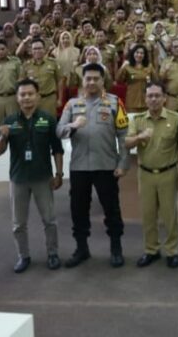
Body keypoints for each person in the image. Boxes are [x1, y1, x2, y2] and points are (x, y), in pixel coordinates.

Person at [56, 64, 130, 268]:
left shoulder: (115, 103)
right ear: (82, 80)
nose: (91, 82)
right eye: (88, 78)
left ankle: (116, 248)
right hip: (79, 167)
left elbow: (124, 136)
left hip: (106, 166)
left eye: (96, 78)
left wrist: (123, 163)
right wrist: (73, 126)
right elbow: (59, 130)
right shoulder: (72, 105)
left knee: (111, 209)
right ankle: (81, 249)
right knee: (78, 209)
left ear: (103, 80)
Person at [0, 78, 64, 273]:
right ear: (17, 98)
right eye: (22, 94)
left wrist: (59, 173)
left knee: (49, 220)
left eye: (30, 94)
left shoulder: (48, 119)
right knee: (18, 224)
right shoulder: (9, 121)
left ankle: (52, 254)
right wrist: (3, 135)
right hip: (19, 179)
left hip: (43, 178)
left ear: (38, 96)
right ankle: (23, 256)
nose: (27, 98)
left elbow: (57, 149)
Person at [125, 82, 178, 269]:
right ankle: (151, 250)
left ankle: (172, 251)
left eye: (157, 96)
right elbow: (127, 144)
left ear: (164, 98)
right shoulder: (137, 120)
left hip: (168, 172)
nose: (153, 99)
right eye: (150, 96)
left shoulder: (176, 119)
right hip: (145, 174)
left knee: (170, 215)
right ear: (145, 99)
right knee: (148, 215)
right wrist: (139, 138)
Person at [23, 38, 65, 117]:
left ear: (44, 49)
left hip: (49, 98)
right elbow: (22, 84)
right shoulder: (26, 65)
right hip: (33, 100)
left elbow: (60, 81)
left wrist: (60, 99)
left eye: (39, 48)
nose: (37, 51)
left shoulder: (53, 63)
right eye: (34, 49)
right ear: (31, 51)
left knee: (50, 123)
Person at [116, 44, 158, 114]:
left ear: (144, 55)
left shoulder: (149, 66)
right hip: (132, 101)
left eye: (141, 53)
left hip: (146, 101)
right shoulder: (127, 66)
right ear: (133, 54)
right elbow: (118, 80)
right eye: (137, 52)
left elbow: (156, 81)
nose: (139, 55)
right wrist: (122, 66)